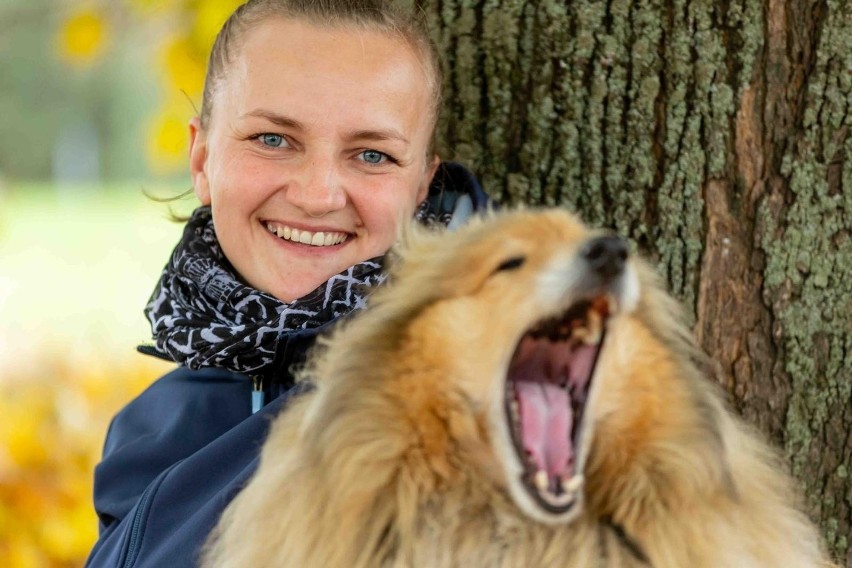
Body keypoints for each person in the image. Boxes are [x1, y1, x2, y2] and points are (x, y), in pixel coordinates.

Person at [85, 1, 489, 566]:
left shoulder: (483, 412)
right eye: (274, 139)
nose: (317, 194)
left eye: (371, 154)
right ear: (202, 158)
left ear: (422, 185)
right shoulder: (148, 427)